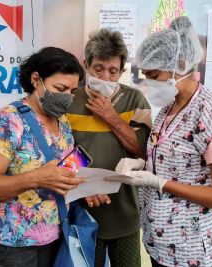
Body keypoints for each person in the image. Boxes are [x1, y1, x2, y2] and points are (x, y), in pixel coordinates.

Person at [108, 17, 212, 267]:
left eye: (154, 74)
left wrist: (161, 183)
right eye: (146, 75)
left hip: (196, 253)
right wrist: (143, 166)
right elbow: (174, 162)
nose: (149, 82)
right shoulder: (168, 108)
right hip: (162, 246)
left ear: (180, 64)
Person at [0, 47, 86, 267]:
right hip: (13, 245)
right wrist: (35, 178)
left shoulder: (64, 123)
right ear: (36, 79)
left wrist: (83, 185)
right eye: (60, 88)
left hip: (56, 234)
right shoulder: (6, 121)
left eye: (72, 92)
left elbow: (63, 169)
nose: (67, 98)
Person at [66, 28, 152, 267]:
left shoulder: (135, 100)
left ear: (122, 71)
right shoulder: (69, 100)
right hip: (81, 211)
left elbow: (143, 151)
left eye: (113, 71)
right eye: (98, 69)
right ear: (86, 65)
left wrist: (111, 117)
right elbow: (59, 152)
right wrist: (83, 185)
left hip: (125, 211)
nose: (105, 77)